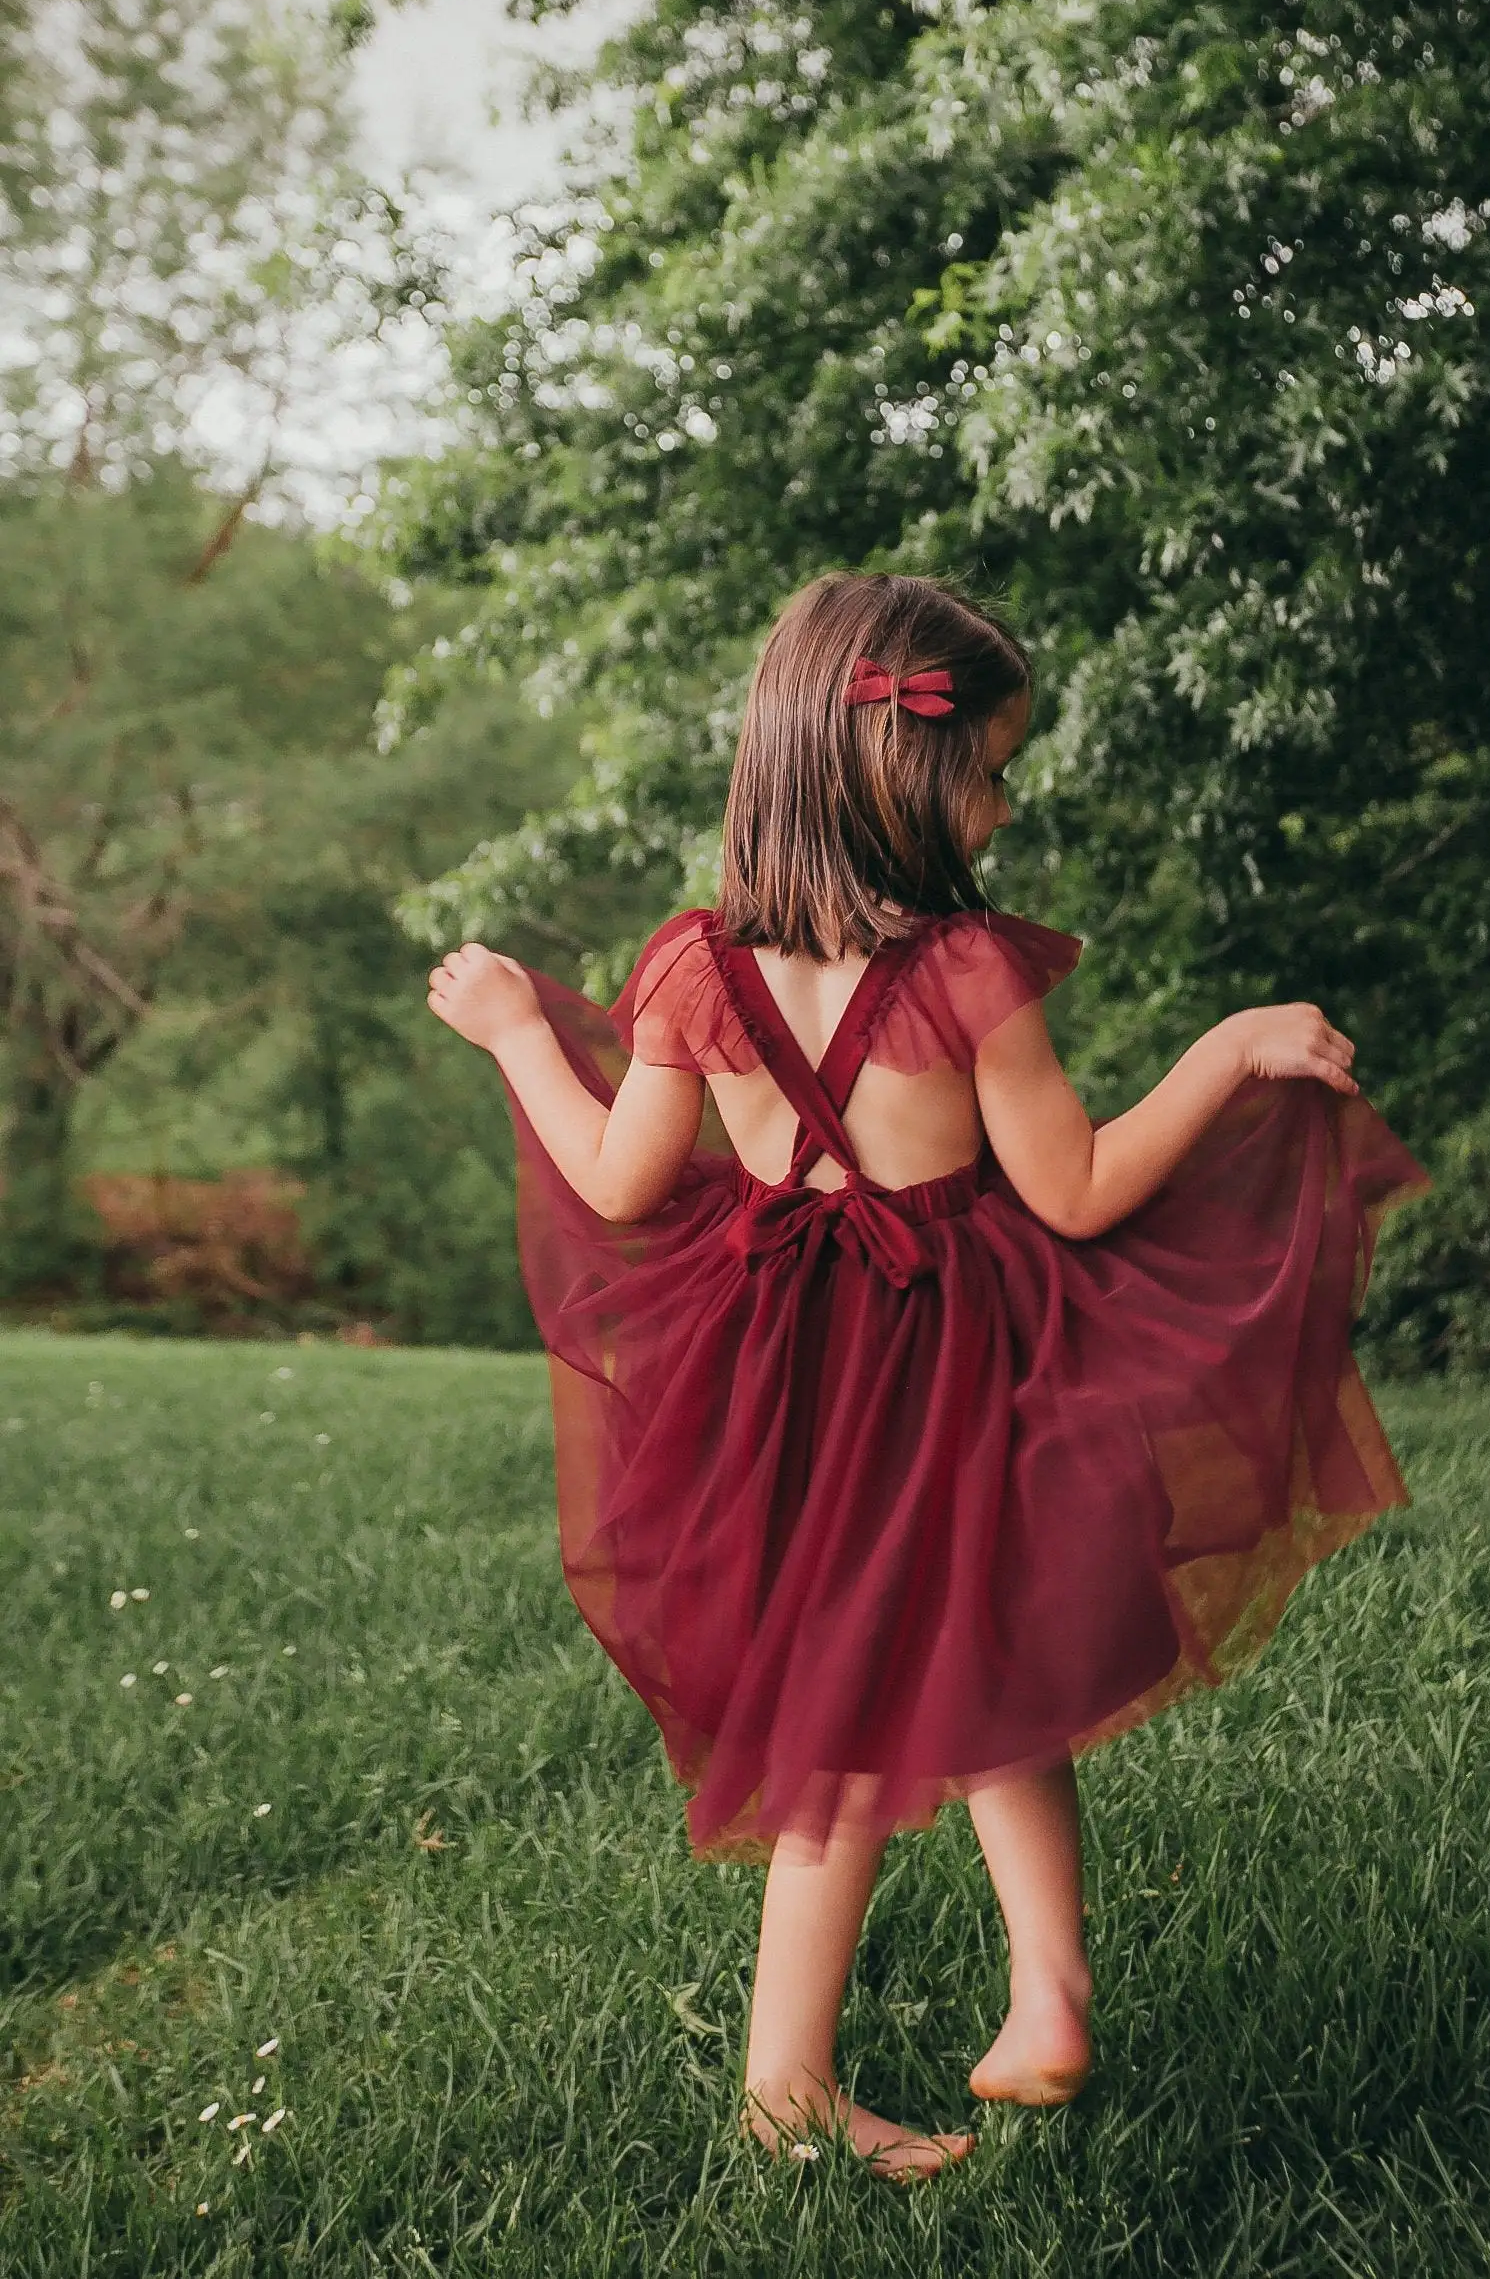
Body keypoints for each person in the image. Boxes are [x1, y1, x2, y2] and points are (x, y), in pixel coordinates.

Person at [428, 570, 1426, 2180]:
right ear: (904, 777)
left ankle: (1042, 2002)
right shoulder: (967, 972)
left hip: (784, 1387)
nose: (1008, 806)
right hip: (960, 1363)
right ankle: (802, 2086)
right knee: (923, 1694)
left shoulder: (692, 967)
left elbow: (620, 1184)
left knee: (951, 1670)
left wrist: (515, 1036)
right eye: (994, 771)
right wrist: (1227, 1047)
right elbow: (1082, 1190)